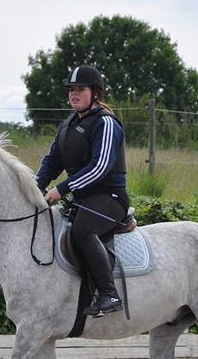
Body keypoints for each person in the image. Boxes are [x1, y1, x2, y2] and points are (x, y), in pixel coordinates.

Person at [35, 65, 129, 317]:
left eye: (80, 89)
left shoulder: (106, 123)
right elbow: (52, 161)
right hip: (83, 199)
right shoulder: (68, 124)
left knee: (82, 231)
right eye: (71, 90)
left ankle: (109, 294)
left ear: (95, 93)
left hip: (109, 198)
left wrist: (61, 189)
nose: (73, 94)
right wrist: (34, 186)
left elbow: (100, 167)